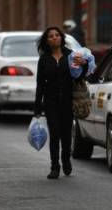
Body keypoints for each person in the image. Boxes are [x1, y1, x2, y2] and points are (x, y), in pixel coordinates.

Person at [34, 26, 87, 179]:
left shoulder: (71, 56)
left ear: (62, 38)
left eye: (57, 35)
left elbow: (78, 77)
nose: (55, 37)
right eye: (51, 36)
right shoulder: (43, 59)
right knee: (55, 134)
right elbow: (40, 84)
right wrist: (37, 106)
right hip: (50, 103)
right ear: (47, 40)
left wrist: (82, 65)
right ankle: (54, 167)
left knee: (66, 135)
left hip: (68, 102)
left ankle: (66, 160)